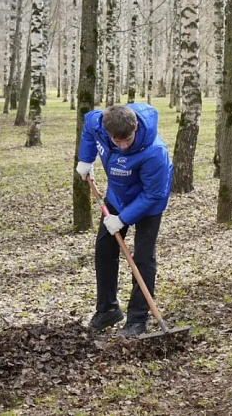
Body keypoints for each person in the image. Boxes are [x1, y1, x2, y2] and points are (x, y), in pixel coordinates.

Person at [76, 104, 173, 337]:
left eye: (127, 140)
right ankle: (107, 309)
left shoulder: (155, 152)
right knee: (104, 249)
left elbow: (154, 194)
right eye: (116, 141)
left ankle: (137, 320)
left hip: (149, 202)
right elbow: (89, 126)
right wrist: (86, 159)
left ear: (136, 127)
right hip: (117, 195)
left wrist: (123, 219)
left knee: (143, 257)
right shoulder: (98, 123)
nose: (122, 145)